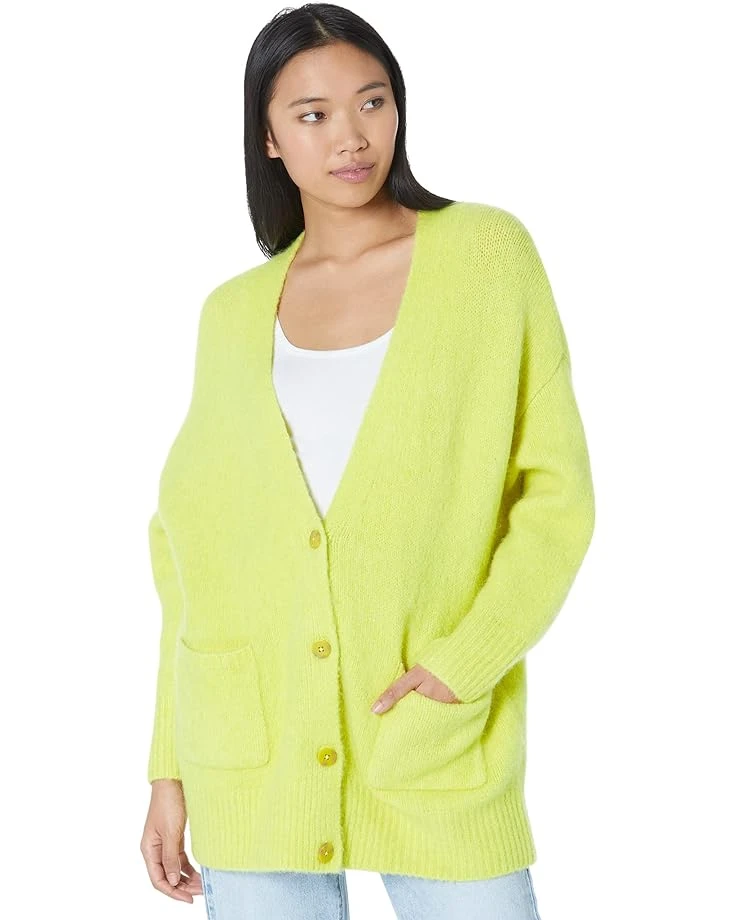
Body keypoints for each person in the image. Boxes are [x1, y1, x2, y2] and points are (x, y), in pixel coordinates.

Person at [139, 4, 594, 918]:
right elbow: (189, 561)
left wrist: (466, 663)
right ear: (268, 138)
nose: (350, 136)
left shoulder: (486, 254)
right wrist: (168, 769)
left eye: (371, 102)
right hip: (251, 760)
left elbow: (555, 496)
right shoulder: (232, 314)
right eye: (311, 114)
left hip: (433, 742)